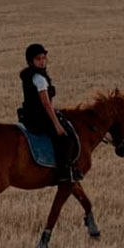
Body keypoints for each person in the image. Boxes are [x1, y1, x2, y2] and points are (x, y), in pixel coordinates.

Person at [18, 43, 82, 183]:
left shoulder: (28, 75)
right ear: (30, 61)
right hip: (39, 117)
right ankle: (64, 173)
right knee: (65, 138)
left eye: (43, 58)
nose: (42, 62)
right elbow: (46, 104)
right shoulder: (40, 79)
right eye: (38, 59)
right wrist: (57, 125)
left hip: (29, 115)